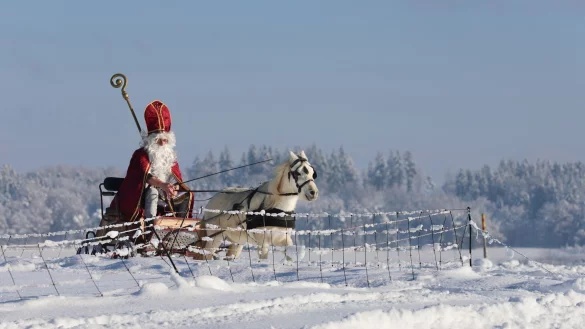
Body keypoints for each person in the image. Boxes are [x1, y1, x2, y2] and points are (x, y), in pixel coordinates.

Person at [109, 100, 194, 224]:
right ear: (152, 140)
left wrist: (174, 188)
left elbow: (178, 180)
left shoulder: (169, 155)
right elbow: (144, 176)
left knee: (188, 194)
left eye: (166, 139)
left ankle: (181, 226)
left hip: (165, 194)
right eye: (159, 139)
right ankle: (151, 226)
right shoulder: (141, 154)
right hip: (141, 195)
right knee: (152, 191)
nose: (163, 142)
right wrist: (162, 185)